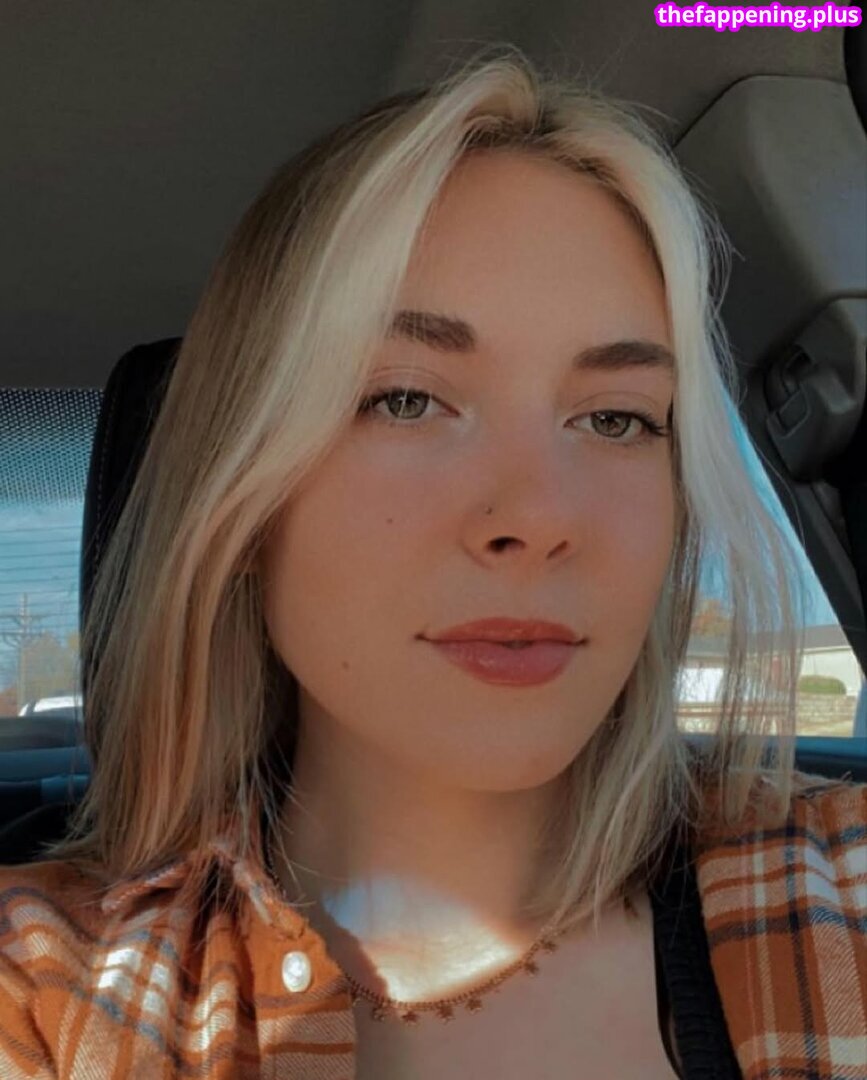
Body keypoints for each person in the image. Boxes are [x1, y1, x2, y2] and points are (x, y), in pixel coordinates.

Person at [1, 46, 864, 1080]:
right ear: (245, 494)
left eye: (617, 418)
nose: (539, 518)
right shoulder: (44, 994)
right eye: (405, 399)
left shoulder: (837, 895)